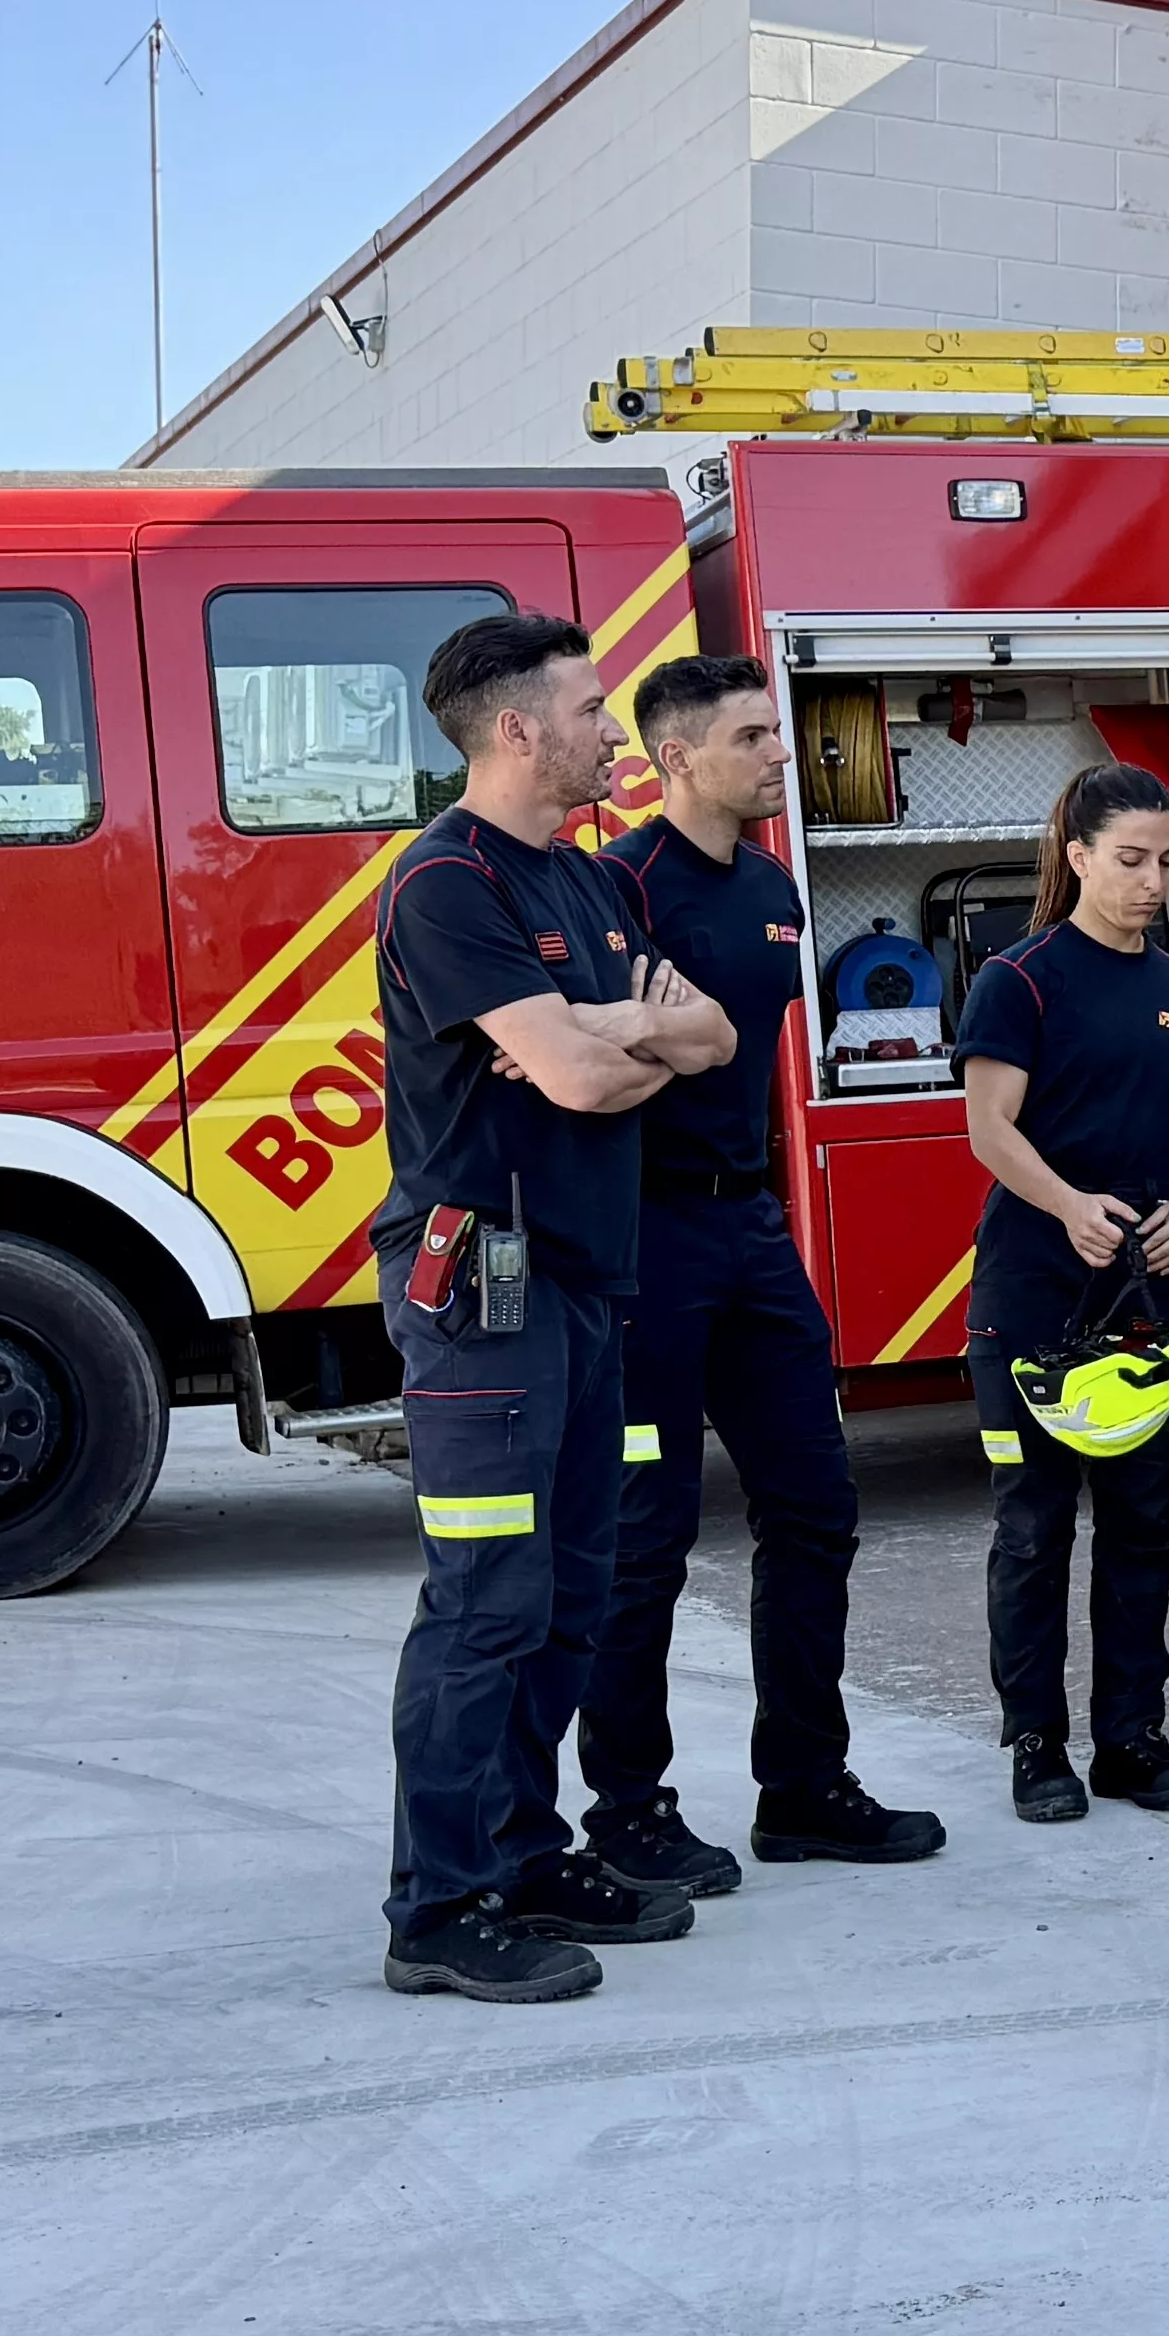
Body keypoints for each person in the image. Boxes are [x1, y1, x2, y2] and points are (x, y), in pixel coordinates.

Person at [368, 612, 734, 2005]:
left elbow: (705, 1040)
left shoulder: (590, 887)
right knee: (486, 1601)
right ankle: (438, 1906)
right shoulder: (446, 884)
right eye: (587, 710)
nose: (609, 734)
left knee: (576, 1591)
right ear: (515, 729)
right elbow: (587, 1083)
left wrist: (615, 1033)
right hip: (483, 1292)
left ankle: (524, 1852)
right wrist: (612, 1042)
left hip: (586, 1281)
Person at [572, 655, 945, 1883]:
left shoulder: (778, 890)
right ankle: (626, 1813)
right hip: (647, 1244)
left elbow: (722, 1057)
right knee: (648, 1535)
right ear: (679, 756)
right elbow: (593, 1053)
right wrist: (654, 1033)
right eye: (753, 736)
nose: (784, 753)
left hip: (753, 1233)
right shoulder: (616, 884)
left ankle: (803, 1787)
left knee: (815, 1508)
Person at [959, 761, 1169, 1824]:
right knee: (1034, 1526)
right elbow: (990, 1128)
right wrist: (1071, 1203)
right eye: (1129, 861)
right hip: (1034, 1297)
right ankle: (1038, 1745)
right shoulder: (1021, 981)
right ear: (1077, 857)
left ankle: (1132, 1737)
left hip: (1146, 1301)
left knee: (1141, 1524)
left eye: (1166, 864)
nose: (1150, 883)